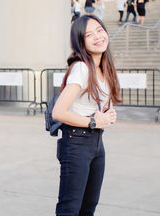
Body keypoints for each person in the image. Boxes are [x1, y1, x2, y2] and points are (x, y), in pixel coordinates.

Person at [53, 14, 120, 216]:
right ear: (81, 42)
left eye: (100, 30)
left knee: (88, 207)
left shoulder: (102, 67)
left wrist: (107, 115)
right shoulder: (82, 68)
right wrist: (92, 121)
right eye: (89, 34)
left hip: (96, 144)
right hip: (76, 142)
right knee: (70, 209)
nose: (98, 36)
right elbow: (59, 111)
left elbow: (94, 105)